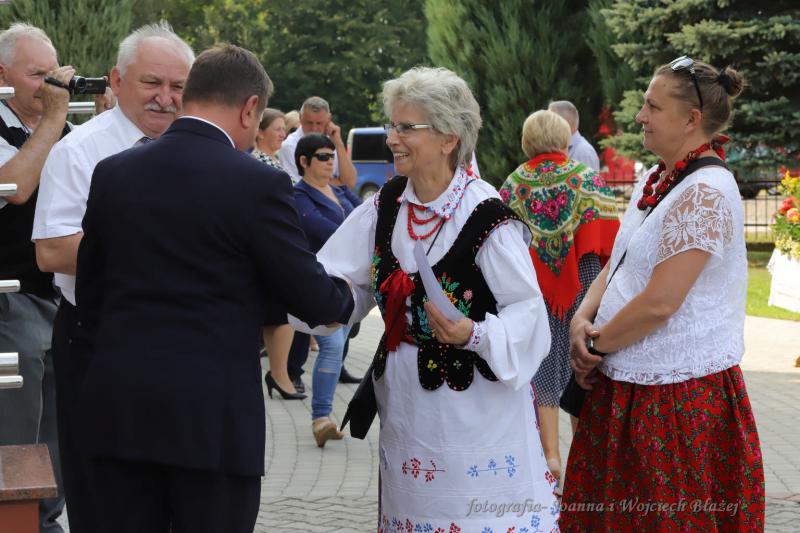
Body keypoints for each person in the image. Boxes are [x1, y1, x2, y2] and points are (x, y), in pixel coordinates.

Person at [74, 44, 354, 533]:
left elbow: (91, 296)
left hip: (119, 412)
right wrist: (348, 291)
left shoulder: (114, 172)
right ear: (250, 108)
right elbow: (313, 298)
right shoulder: (258, 184)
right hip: (211, 423)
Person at [293, 67, 559, 531]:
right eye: (392, 125)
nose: (391, 139)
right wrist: (322, 298)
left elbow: (529, 312)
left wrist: (474, 332)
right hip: (408, 410)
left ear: (449, 139)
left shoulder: (484, 214)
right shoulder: (386, 205)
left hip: (476, 412)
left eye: (405, 128)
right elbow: (342, 278)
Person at [561, 57, 764, 531]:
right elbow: (618, 261)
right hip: (629, 385)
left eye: (652, 107)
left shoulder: (705, 192)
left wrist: (593, 346)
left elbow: (660, 303)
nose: (640, 116)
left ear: (691, 119)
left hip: (674, 402)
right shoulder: (657, 180)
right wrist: (581, 318)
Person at [31, 21, 194, 532]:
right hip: (101, 341)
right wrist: (160, 254)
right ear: (116, 81)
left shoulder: (204, 153)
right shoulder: (80, 150)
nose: (166, 97)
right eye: (152, 83)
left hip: (183, 344)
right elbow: (52, 250)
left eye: (178, 86)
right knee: (106, 501)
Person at [0, 22, 112, 533]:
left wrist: (106, 124)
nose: (51, 86)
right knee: (17, 423)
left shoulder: (60, 128)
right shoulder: (44, 124)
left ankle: (46, 517)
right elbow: (15, 187)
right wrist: (58, 116)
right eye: (37, 75)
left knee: (61, 423)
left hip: (60, 296)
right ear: (2, 75)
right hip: (9, 298)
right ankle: (18, 518)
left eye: (55, 73)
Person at [499, 109, 619, 489]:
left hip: (534, 290)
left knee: (543, 367)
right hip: (584, 284)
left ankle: (549, 457)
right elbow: (610, 240)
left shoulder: (514, 183)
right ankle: (582, 457)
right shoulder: (586, 179)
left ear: (527, 141)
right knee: (581, 367)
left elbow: (503, 242)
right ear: (565, 138)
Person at [292, 133, 362, 446]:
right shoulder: (298, 196)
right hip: (318, 282)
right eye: (323, 156)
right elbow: (323, 230)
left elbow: (369, 217)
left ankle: (324, 415)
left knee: (338, 347)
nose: (329, 162)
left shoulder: (341, 190)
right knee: (332, 346)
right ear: (304, 161)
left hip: (349, 285)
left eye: (332, 156)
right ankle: (321, 418)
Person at [277, 96, 356, 188]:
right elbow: (302, 187)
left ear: (329, 119)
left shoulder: (334, 141)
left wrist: (338, 143)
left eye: (319, 123)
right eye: (309, 123)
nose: (314, 128)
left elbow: (350, 183)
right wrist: (338, 182)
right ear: (300, 118)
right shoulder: (289, 146)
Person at [548, 100, 600, 171]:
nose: (546, 125)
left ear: (564, 122)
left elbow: (590, 178)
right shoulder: (561, 147)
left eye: (549, 120)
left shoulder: (584, 152)